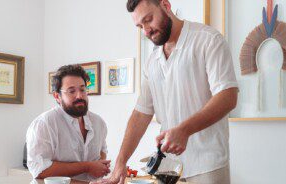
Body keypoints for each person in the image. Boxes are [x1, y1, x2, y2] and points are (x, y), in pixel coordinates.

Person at [92, 0, 239, 184]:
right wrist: (120, 163)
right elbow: (141, 114)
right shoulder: (152, 60)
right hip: (168, 169)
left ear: (165, 5)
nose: (146, 31)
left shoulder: (208, 40)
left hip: (207, 165)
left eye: (149, 19)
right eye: (140, 26)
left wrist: (184, 130)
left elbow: (228, 96)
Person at [26, 65, 110, 181]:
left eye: (82, 89)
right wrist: (87, 167)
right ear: (57, 96)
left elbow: (102, 151)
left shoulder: (98, 122)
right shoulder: (44, 124)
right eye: (71, 91)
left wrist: (100, 166)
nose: (79, 96)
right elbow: (39, 170)